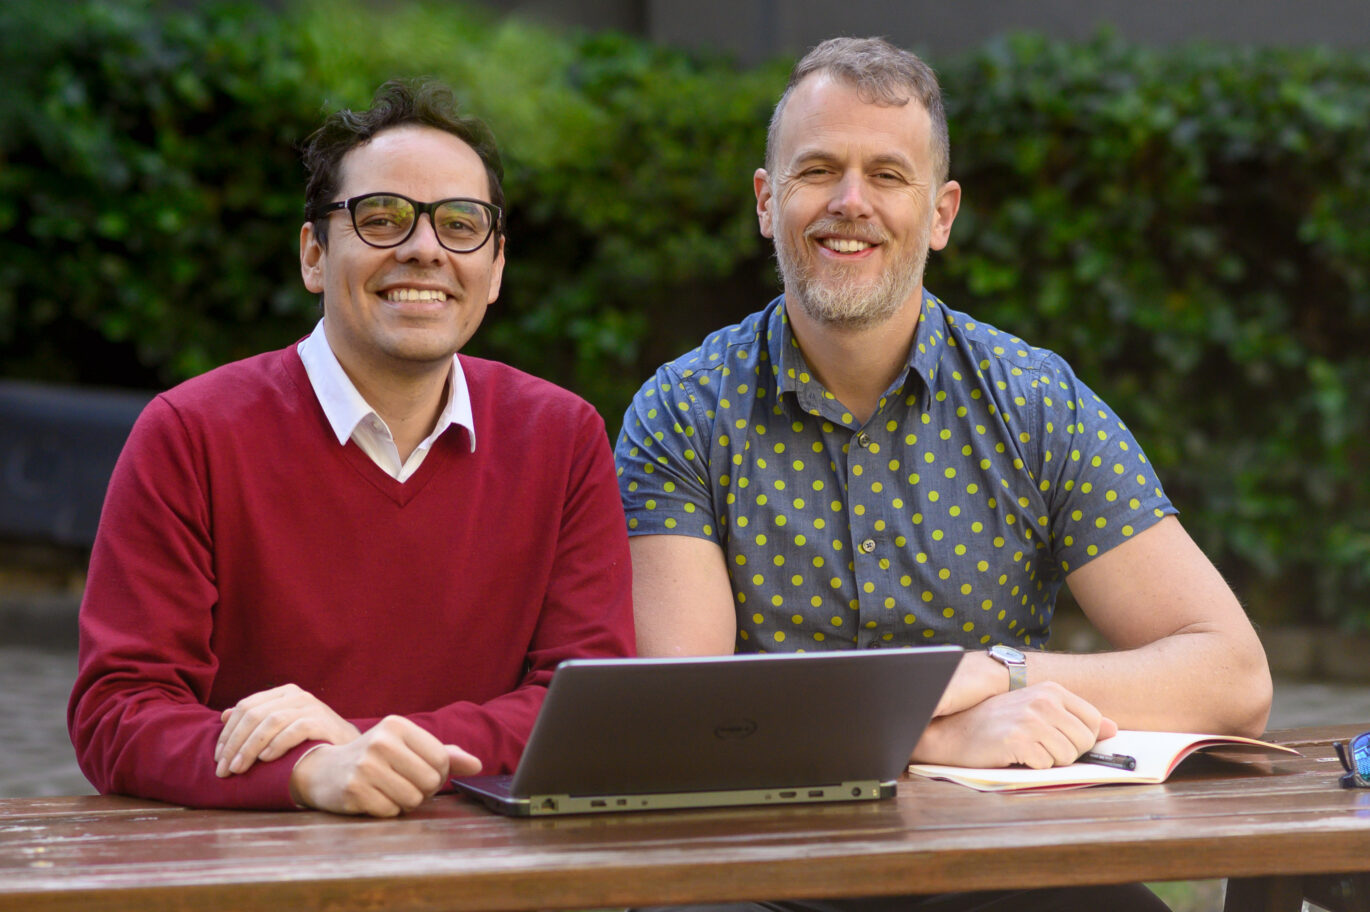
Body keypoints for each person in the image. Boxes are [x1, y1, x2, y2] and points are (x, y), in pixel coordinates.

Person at [615, 37, 1271, 911]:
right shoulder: (682, 413)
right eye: (818, 170)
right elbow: (687, 722)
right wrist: (934, 734)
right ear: (768, 203)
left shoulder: (1038, 404)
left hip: (1002, 870)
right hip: (763, 873)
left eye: (889, 175)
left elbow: (1234, 679)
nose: (851, 203)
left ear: (941, 213)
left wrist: (1000, 674)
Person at [68, 79, 634, 817]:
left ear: (494, 268)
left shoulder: (563, 437)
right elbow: (118, 712)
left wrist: (362, 744)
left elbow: (587, 702)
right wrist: (308, 774)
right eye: (382, 218)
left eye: (461, 224)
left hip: (493, 871)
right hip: (259, 877)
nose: (424, 249)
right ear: (313, 254)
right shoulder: (190, 433)